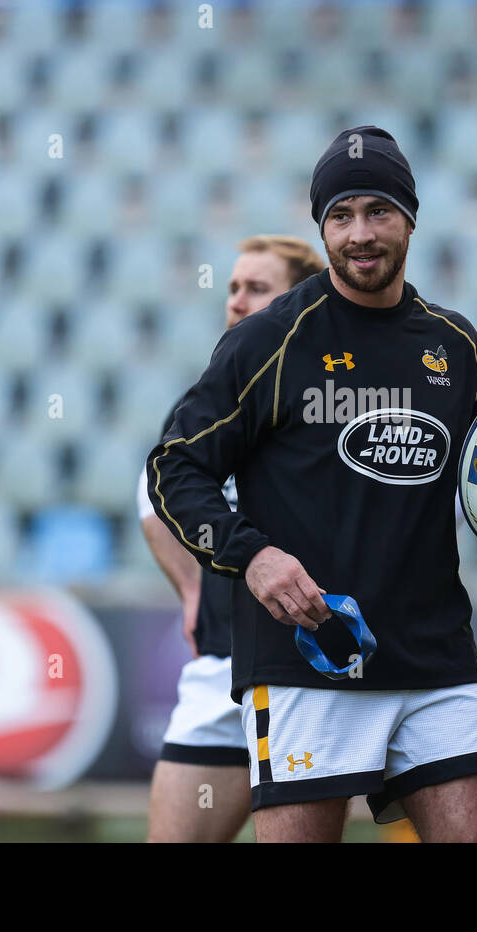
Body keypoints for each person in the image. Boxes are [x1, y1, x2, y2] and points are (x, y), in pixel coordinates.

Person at [147, 126, 477, 843]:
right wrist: (252, 557)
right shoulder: (270, 340)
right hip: (308, 655)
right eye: (341, 215)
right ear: (322, 227)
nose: (360, 233)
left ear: (410, 220)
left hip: (433, 654)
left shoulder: (454, 346)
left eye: (378, 211)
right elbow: (174, 466)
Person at [138, 234, 326, 842]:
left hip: (319, 671)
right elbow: (153, 494)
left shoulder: (342, 398)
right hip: (223, 671)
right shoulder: (214, 396)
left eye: (258, 288)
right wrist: (190, 587)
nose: (238, 301)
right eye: (233, 289)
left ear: (301, 303)